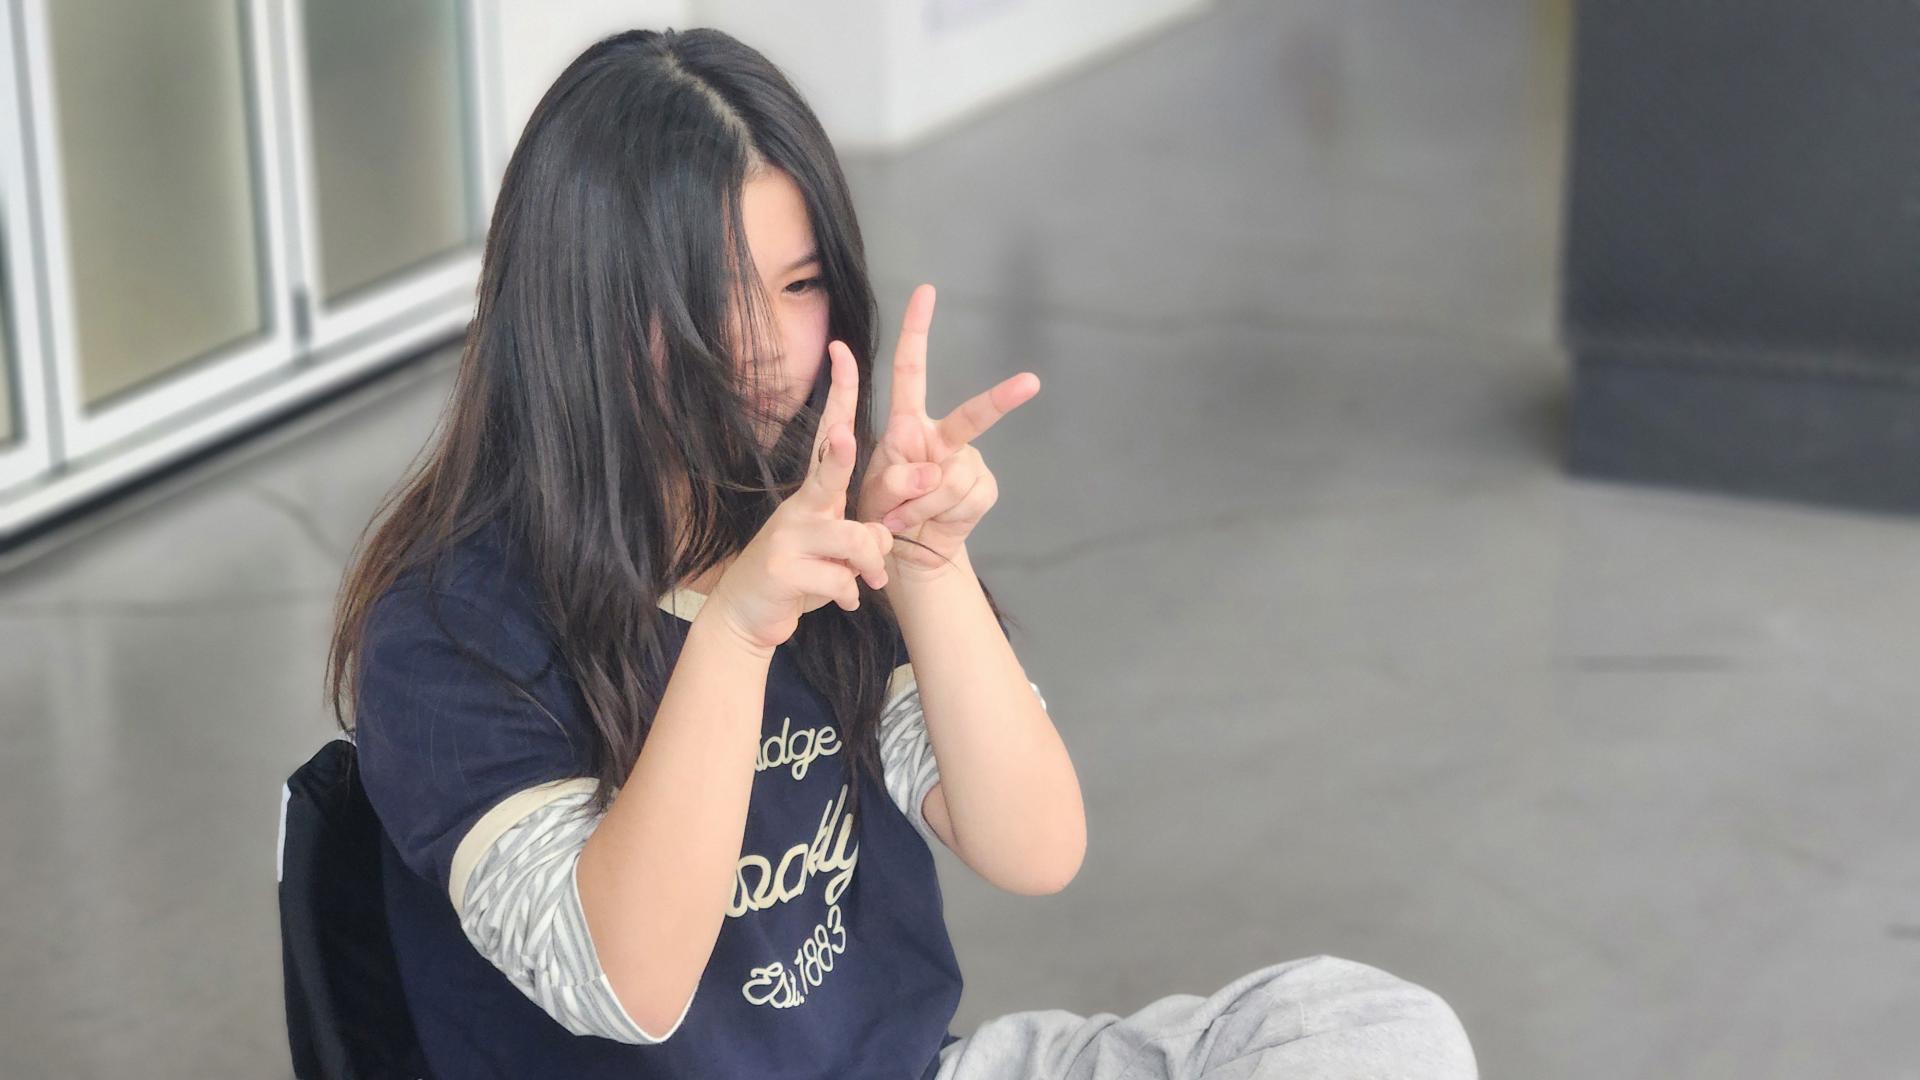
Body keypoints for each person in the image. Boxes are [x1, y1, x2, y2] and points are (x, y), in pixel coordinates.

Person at [325, 25, 1478, 1080]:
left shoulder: (813, 522)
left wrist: (925, 564)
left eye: (800, 285)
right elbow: (629, 986)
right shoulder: (449, 631)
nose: (766, 348)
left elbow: (1036, 849)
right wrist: (736, 631)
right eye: (710, 295)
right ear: (577, 309)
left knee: (1380, 1034)